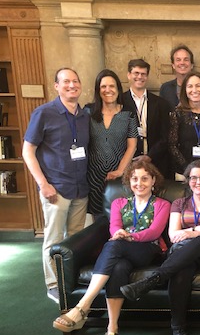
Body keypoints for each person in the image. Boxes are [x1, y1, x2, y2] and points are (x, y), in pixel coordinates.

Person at [52, 159, 170, 335]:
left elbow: (153, 232)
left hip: (147, 250)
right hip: (122, 250)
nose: (139, 183)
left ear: (153, 181)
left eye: (144, 178)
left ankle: (82, 306)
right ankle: (112, 330)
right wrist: (120, 234)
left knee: (114, 245)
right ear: (128, 181)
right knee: (118, 267)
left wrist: (129, 236)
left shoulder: (162, 204)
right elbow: (113, 227)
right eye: (134, 179)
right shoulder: (119, 203)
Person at [120, 160, 200, 335]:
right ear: (187, 181)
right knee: (182, 267)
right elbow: (173, 235)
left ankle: (154, 279)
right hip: (184, 254)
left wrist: (193, 232)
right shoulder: (179, 203)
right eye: (193, 178)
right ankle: (180, 331)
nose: (198, 181)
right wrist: (198, 229)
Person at [22, 67, 90, 303]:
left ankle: (70, 280)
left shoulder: (84, 115)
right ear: (56, 86)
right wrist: (43, 184)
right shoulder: (44, 113)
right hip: (56, 188)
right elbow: (28, 151)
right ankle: (53, 284)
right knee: (53, 239)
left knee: (75, 237)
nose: (72, 85)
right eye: (66, 82)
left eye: (75, 81)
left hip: (81, 187)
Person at [86, 69, 138, 216]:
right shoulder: (88, 112)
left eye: (112, 86)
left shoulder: (128, 113)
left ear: (118, 89)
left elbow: (132, 146)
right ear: (98, 89)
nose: (108, 90)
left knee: (120, 216)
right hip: (93, 176)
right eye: (103, 87)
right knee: (97, 219)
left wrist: (120, 171)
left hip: (119, 176)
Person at [122, 58, 173, 179]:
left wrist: (150, 156)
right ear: (129, 75)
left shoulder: (161, 103)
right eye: (136, 73)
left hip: (156, 162)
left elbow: (166, 136)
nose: (140, 77)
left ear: (147, 76)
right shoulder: (120, 102)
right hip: (128, 162)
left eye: (143, 74)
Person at [159, 44, 200, 110]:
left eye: (186, 59)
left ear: (191, 65)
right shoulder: (165, 88)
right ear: (173, 65)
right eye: (178, 60)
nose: (182, 63)